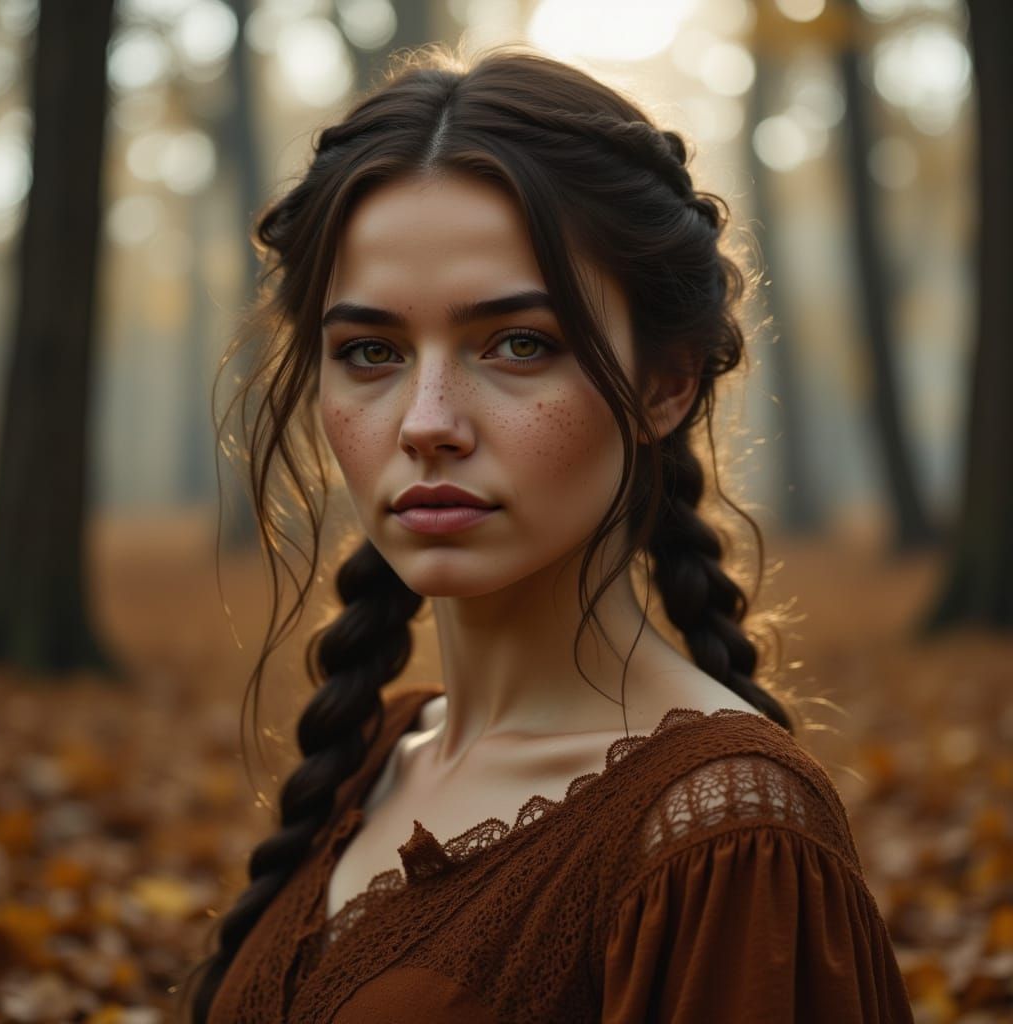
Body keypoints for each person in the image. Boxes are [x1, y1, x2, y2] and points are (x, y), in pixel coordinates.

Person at [185, 45, 914, 1023]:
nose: (425, 419)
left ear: (666, 382)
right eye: (370, 351)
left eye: (517, 343)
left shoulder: (730, 839)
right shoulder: (383, 751)